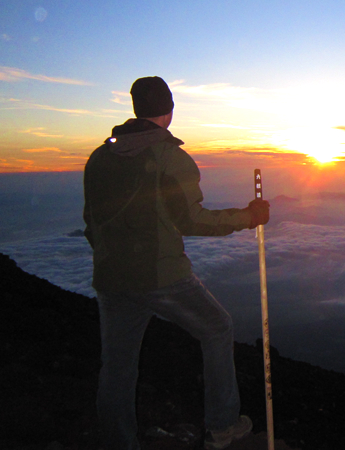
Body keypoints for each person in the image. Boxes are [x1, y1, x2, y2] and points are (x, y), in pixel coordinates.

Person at [83, 76, 270, 450]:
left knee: (118, 368)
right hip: (161, 275)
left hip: (111, 277)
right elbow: (192, 220)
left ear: (136, 108)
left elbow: (92, 220)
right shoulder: (170, 157)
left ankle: (118, 442)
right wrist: (249, 217)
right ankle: (221, 427)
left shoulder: (100, 156)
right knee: (217, 328)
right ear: (169, 111)